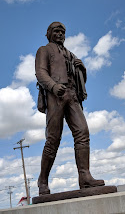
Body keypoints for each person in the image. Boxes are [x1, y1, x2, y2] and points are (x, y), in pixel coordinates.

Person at [35, 22, 105, 196]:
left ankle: (85, 177)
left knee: (83, 132)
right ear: (49, 33)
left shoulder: (71, 54)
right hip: (56, 95)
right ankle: (42, 180)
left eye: (62, 32)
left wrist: (82, 69)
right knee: (53, 139)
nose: (60, 34)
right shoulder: (44, 50)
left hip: (72, 95)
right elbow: (40, 72)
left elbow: (80, 80)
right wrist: (52, 86)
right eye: (56, 31)